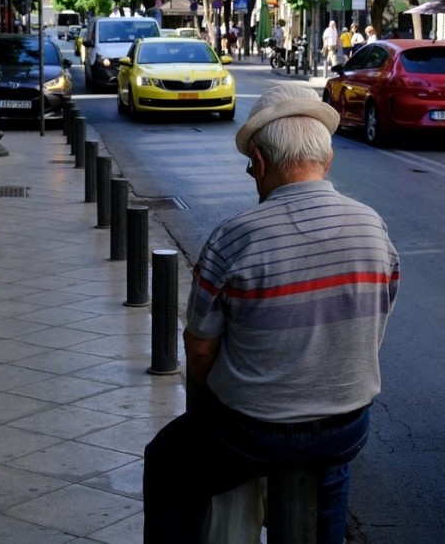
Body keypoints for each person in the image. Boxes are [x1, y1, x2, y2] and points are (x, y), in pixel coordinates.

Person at [143, 84, 401, 544]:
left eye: (250, 168)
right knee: (331, 469)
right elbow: (378, 315)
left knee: (166, 460)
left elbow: (200, 346)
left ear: (259, 164)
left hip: (251, 432)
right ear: (327, 160)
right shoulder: (373, 226)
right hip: (346, 425)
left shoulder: (234, 236)